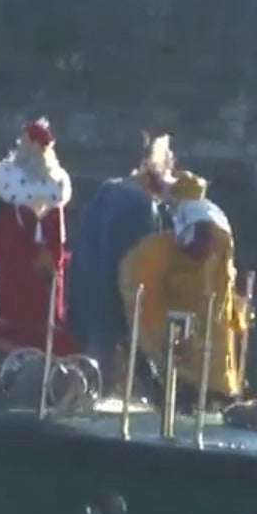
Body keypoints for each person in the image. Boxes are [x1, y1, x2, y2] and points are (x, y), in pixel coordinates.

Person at [116, 172, 241, 407]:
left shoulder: (188, 229)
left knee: (194, 376)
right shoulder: (215, 225)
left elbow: (191, 250)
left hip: (194, 331)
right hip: (211, 323)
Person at [67, 132, 176, 395]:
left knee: (94, 348)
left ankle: (78, 396)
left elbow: (84, 240)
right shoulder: (143, 204)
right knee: (120, 347)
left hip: (90, 278)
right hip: (121, 286)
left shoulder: (107, 190)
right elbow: (143, 256)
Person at [0, 117, 78, 355]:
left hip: (34, 270)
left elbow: (56, 239)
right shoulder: (8, 180)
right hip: (17, 267)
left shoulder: (54, 187)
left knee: (36, 316)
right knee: (14, 315)